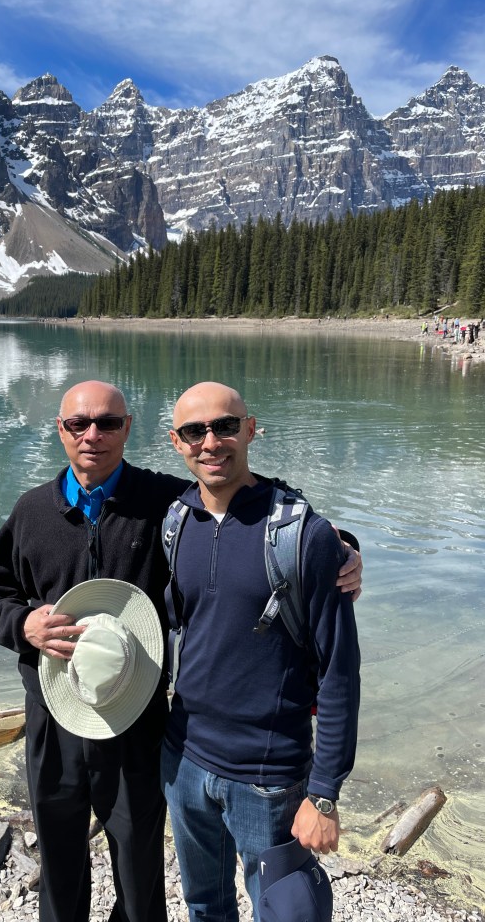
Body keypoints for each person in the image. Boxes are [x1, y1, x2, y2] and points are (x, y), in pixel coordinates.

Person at [0, 380, 362, 922]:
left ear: (129, 430)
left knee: (141, 866)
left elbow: (259, 512)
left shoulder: (161, 501)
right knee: (62, 861)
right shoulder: (34, 511)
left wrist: (342, 547)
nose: (94, 435)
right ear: (61, 430)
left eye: (108, 423)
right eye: (78, 424)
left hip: (141, 722)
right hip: (59, 717)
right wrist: (23, 625)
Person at [161, 382, 361, 922]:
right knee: (204, 905)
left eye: (225, 426)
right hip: (183, 760)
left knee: (285, 911)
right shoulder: (176, 522)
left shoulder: (305, 535)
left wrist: (323, 794)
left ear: (250, 430)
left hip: (268, 775)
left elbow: (340, 671)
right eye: (194, 432)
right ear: (175, 442)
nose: (211, 442)